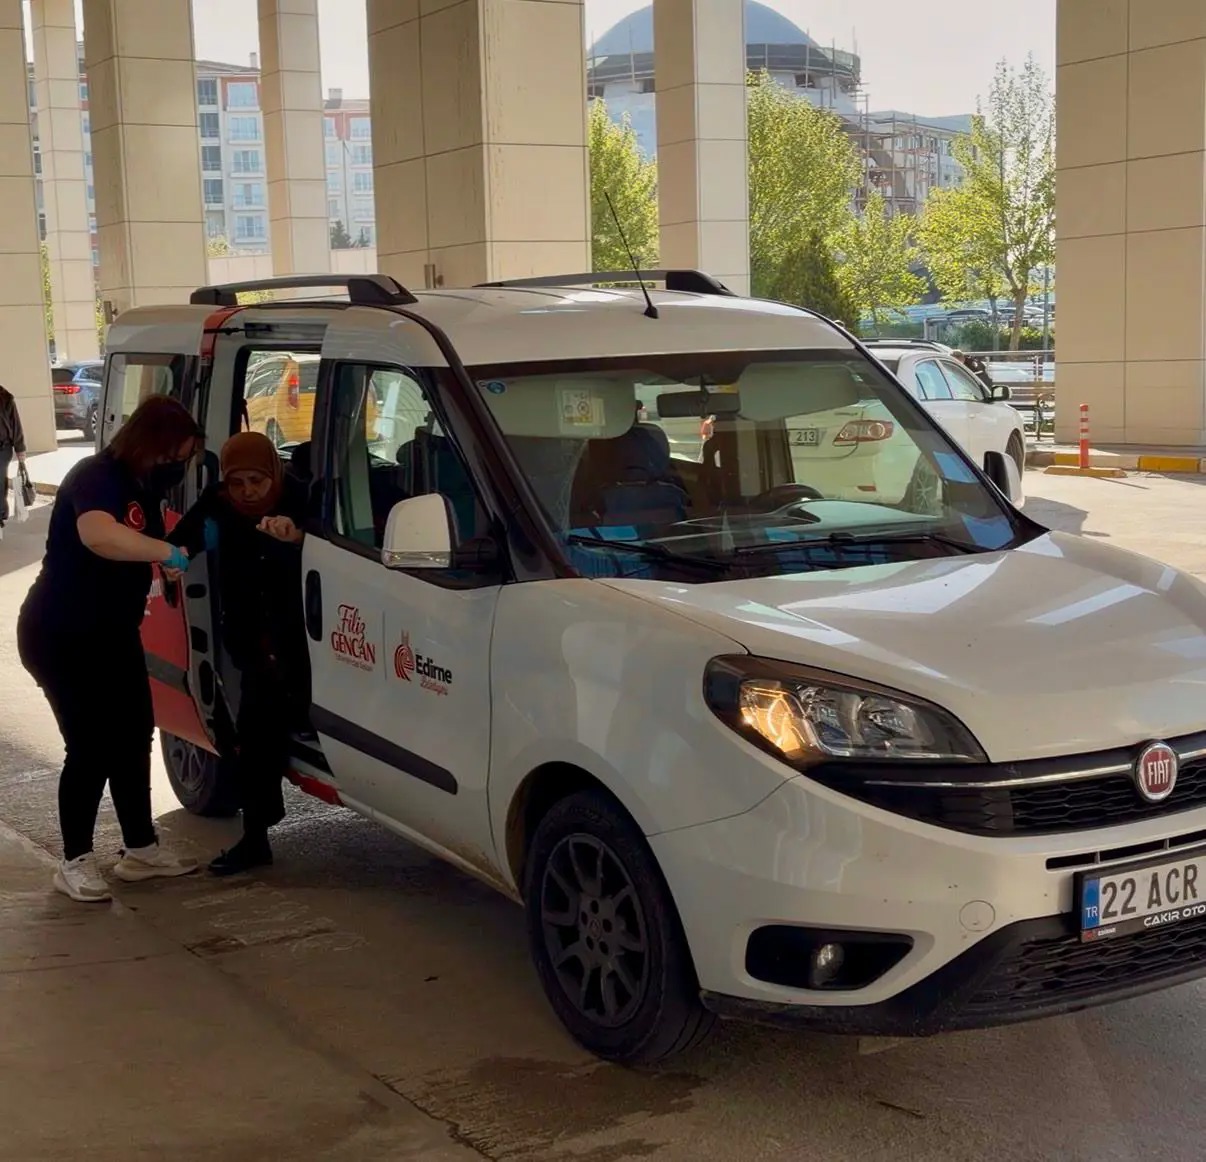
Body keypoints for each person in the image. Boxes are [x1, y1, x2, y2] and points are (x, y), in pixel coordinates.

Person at [17, 395, 203, 902]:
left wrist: (165, 558)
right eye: (175, 457)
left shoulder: (142, 486)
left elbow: (144, 547)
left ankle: (141, 849)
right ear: (154, 445)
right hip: (60, 635)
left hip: (113, 634)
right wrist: (163, 551)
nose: (177, 468)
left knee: (132, 734)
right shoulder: (94, 475)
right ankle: (74, 860)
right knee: (91, 746)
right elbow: (99, 535)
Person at [169, 432, 309, 876]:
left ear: (275, 474)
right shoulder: (219, 504)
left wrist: (299, 538)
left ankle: (256, 838)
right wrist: (174, 557)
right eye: (238, 482)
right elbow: (181, 542)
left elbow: (346, 550)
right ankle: (255, 839)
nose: (248, 492)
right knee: (255, 737)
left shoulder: (300, 499)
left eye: (258, 481)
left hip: (303, 641)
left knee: (271, 730)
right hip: (252, 643)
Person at [0, 382, 27, 535]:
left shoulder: (4, 396)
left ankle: (0, 518)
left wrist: (20, 448)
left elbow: (15, 424)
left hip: (2, 449)